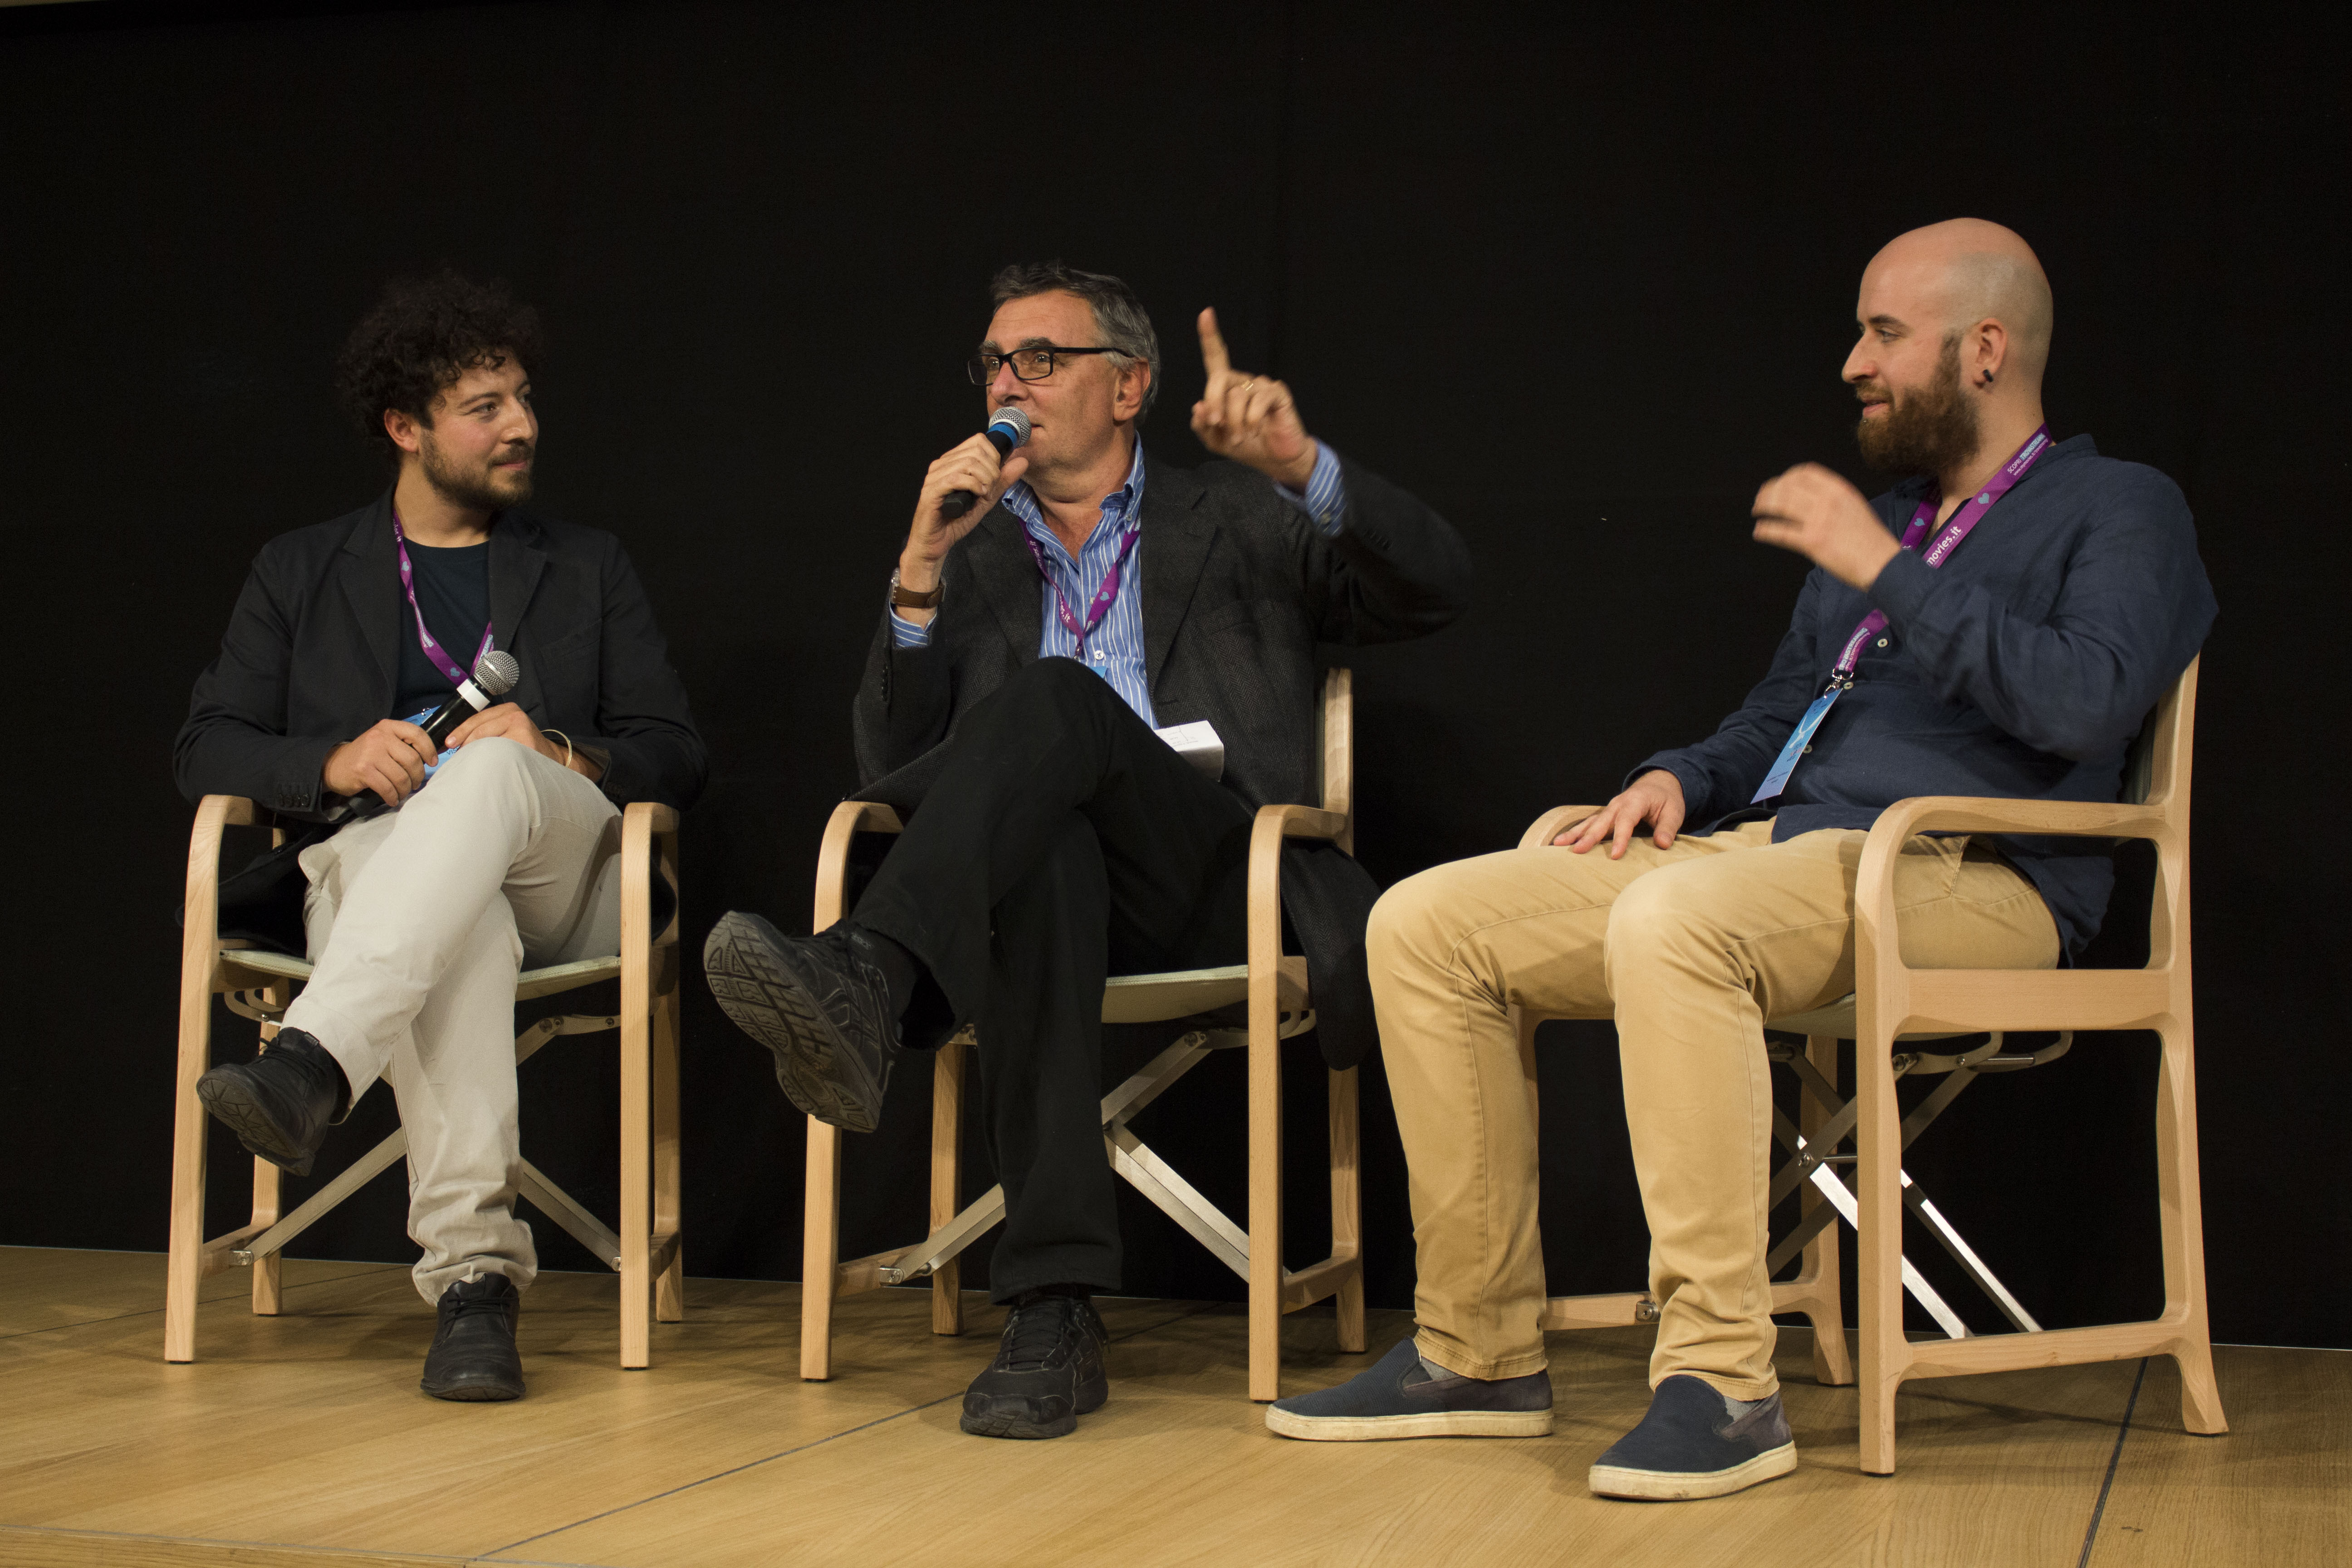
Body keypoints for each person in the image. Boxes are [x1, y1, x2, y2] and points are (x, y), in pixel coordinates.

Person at [1264, 220, 2215, 1499]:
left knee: (1681, 923)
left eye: (1884, 332)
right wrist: (1674, 780)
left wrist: (1891, 573)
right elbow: (1779, 715)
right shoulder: (1886, 525)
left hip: (1976, 877)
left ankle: (1721, 1384)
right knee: (1428, 925)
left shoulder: (2121, 507)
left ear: (1985, 349)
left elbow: (2086, 701)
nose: (1852, 364)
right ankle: (1478, 1351)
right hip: (1780, 856)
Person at [704, 261, 1472, 1440]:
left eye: (1040, 359)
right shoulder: (968, 554)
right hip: (1043, 895)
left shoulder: (1242, 516)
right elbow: (889, 768)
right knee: (1049, 855)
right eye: (997, 364)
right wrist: (915, 571)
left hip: (1228, 874)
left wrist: (1298, 466)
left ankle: (873, 975)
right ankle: (1052, 1307)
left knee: (1061, 698)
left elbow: (1437, 587)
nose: (1009, 383)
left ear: (1130, 388)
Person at [178, 271, 706, 1402]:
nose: (521, 426)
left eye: (522, 398)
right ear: (405, 428)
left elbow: (677, 750)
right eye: (485, 407)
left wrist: (561, 752)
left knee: (495, 768)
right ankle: (474, 1288)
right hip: (379, 873)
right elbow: (206, 746)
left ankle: (315, 1061)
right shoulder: (301, 568)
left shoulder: (588, 565)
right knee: (448, 922)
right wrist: (326, 762)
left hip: (562, 872)